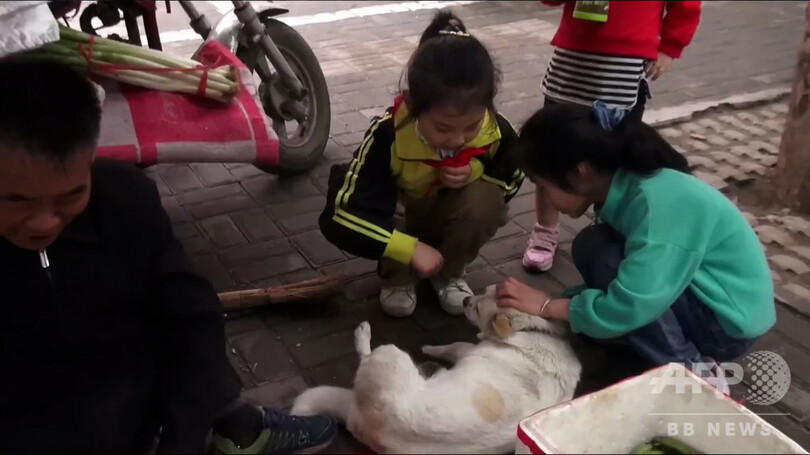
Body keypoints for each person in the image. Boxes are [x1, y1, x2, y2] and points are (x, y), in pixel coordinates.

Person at [0, 60, 337, 454]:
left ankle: (236, 427)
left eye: (69, 196)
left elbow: (192, 316)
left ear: (89, 160)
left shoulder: (125, 199)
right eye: (15, 200)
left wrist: (184, 438)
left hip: (136, 404)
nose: (43, 222)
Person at [497, 103, 775, 388]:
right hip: (700, 297)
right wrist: (566, 304)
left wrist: (548, 306)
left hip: (726, 326)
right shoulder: (628, 187)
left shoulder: (656, 204)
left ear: (580, 171)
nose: (546, 198)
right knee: (591, 245)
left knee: (607, 260)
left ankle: (695, 375)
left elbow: (632, 302)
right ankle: (638, 340)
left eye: (543, 186)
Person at [319, 10, 524, 318]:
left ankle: (449, 273)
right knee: (387, 211)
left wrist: (476, 170)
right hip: (402, 219)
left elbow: (514, 176)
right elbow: (343, 214)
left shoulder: (497, 131)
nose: (458, 139)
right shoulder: (387, 135)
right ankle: (396, 276)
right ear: (413, 105)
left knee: (486, 201)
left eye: (471, 127)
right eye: (443, 128)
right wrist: (407, 248)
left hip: (445, 214)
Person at [523, 0, 702, 273]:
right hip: (573, 57)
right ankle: (545, 230)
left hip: (624, 64)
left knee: (614, 160)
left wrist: (670, 46)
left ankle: (610, 229)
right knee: (551, 150)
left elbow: (686, 4)